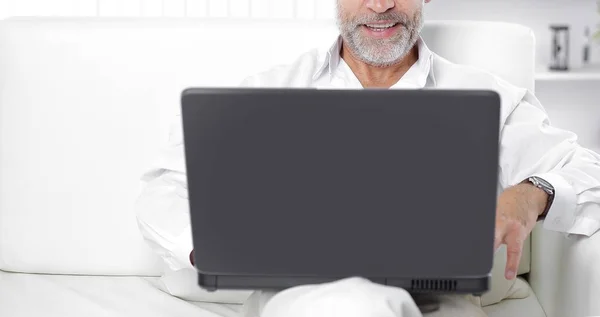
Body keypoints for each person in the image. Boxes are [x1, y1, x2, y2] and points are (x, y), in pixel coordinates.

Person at [135, 0, 600, 316]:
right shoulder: (265, 93)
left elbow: (589, 171)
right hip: (300, 300)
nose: (380, 5)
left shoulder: (493, 98)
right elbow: (163, 190)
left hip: (438, 305)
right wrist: (216, 247)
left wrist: (531, 193)